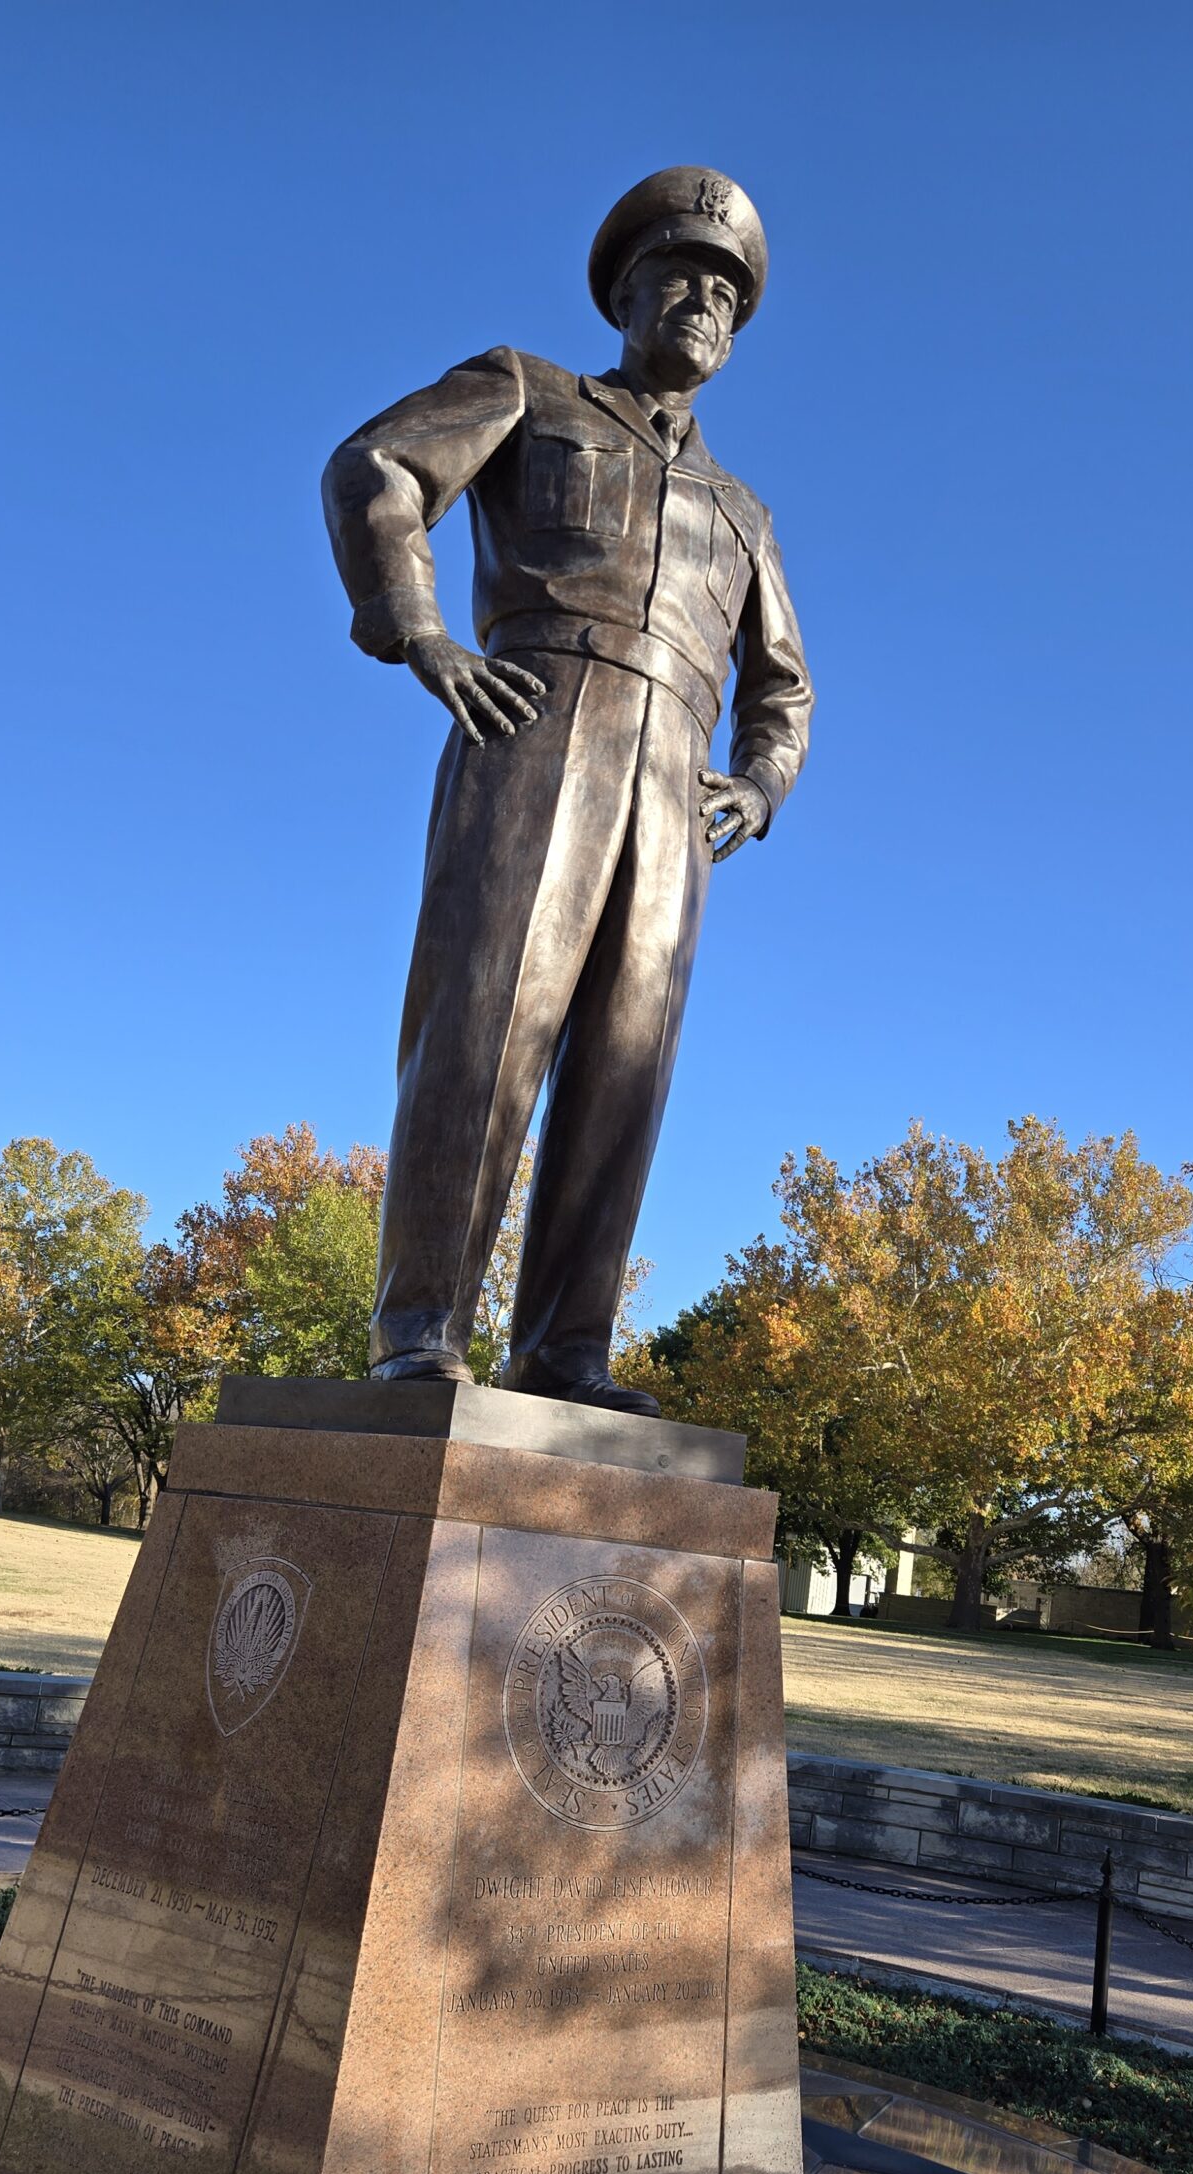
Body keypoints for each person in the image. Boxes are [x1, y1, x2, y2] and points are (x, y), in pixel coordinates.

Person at [322, 167, 813, 1414]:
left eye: (728, 292)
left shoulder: (744, 512)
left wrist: (756, 785)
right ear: (628, 290)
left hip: (675, 779)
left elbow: (786, 686)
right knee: (487, 1023)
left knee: (626, 1062)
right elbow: (378, 467)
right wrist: (420, 629)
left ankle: (565, 1349)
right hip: (538, 719)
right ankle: (420, 1325)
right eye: (683, 274)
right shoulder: (528, 392)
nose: (704, 300)